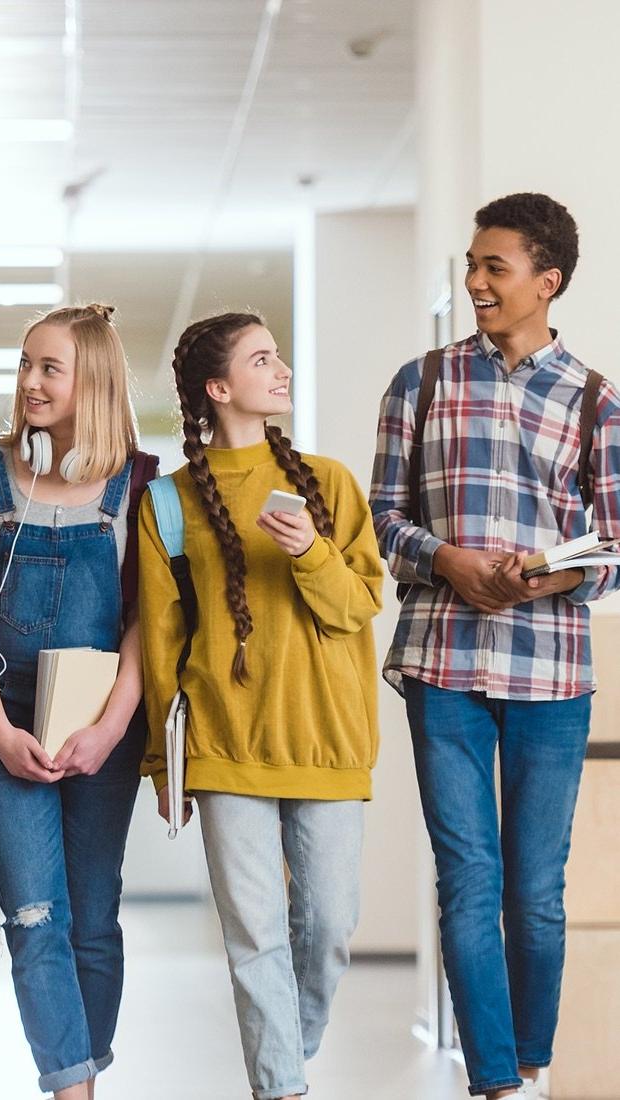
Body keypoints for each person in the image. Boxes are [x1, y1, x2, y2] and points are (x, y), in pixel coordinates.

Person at [369, 192, 620, 1100]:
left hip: (552, 671)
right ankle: (496, 1086)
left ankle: (534, 1067)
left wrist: (549, 578)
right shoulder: (421, 382)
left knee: (536, 894)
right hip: (442, 664)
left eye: (494, 268)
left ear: (546, 282)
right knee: (468, 879)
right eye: (471, 266)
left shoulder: (597, 401)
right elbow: (383, 520)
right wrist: (448, 561)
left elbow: (617, 546)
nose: (474, 282)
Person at [139, 311, 382, 1100]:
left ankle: (286, 1055)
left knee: (329, 932)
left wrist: (310, 552)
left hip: (329, 740)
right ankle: (282, 1088)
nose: (281, 370)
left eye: (278, 357)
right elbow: (162, 640)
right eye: (262, 359)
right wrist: (158, 760)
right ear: (219, 389)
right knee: (253, 938)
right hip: (223, 742)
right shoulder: (168, 504)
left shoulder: (331, 482)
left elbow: (358, 606)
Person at [0, 303, 156, 1099]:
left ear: (91, 381)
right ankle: (71, 1087)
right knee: (34, 917)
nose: (29, 381)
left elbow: (147, 622)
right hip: (3, 723)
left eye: (49, 367)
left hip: (102, 725)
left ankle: (85, 1071)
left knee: (93, 919)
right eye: (25, 364)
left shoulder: (140, 485)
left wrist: (109, 729)